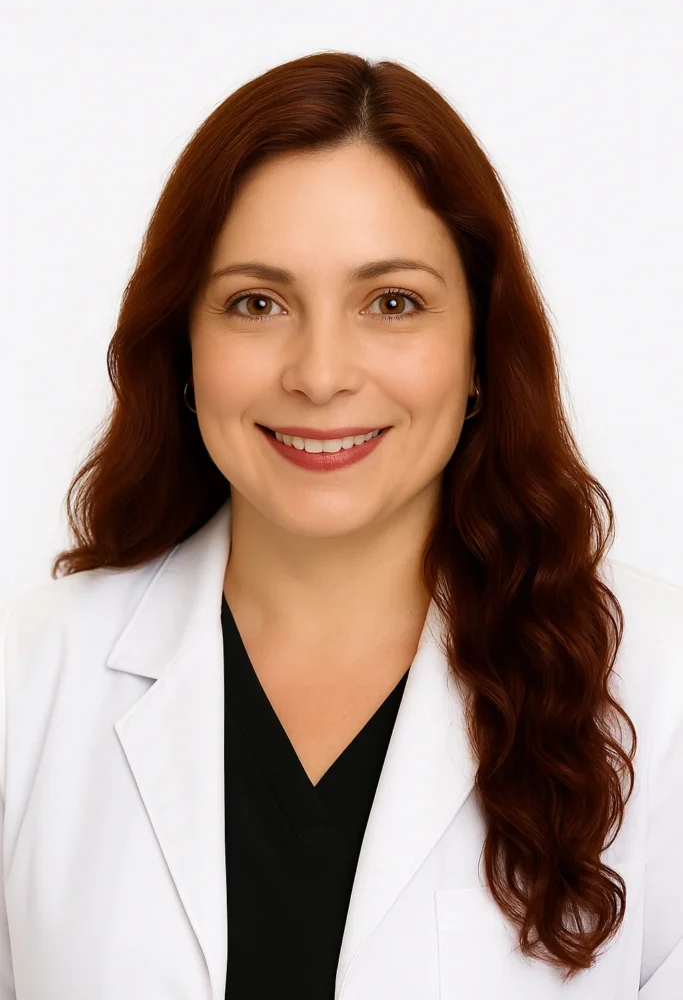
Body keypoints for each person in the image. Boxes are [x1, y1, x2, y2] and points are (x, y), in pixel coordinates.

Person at [1, 51, 681, 1000]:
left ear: (479, 351)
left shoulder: (656, 684)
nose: (320, 376)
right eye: (256, 303)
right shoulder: (31, 674)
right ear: (183, 349)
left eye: (392, 303)